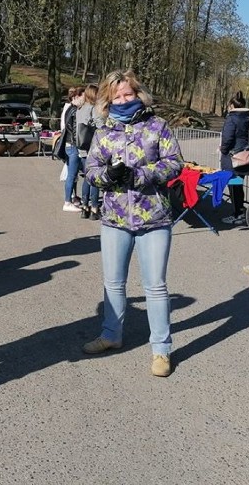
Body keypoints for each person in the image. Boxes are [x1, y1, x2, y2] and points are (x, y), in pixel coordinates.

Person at [83, 69, 183, 378]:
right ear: (108, 100)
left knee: (155, 286)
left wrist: (139, 175)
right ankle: (111, 334)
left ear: (138, 94)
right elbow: (90, 170)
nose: (124, 100)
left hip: (154, 218)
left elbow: (175, 163)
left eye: (128, 94)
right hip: (114, 219)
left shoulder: (158, 126)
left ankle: (161, 349)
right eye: (117, 96)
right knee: (113, 282)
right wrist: (108, 176)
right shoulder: (103, 132)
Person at [219, 90, 249, 225]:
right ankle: (240, 211)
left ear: (232, 106)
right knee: (238, 186)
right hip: (244, 157)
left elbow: (227, 138)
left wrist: (223, 149)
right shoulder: (246, 118)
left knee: (234, 187)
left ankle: (238, 213)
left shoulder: (232, 119)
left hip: (233, 159)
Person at [76, 84, 101, 220]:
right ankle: (94, 208)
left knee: (87, 178)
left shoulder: (80, 110)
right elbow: (100, 127)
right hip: (93, 147)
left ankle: (84, 206)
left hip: (82, 147)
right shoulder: (94, 109)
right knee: (95, 179)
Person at [60, 87, 85, 212]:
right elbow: (75, 130)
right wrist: (79, 144)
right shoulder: (75, 111)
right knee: (72, 175)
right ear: (77, 97)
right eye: (83, 98)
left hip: (69, 144)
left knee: (72, 174)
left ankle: (71, 199)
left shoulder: (69, 109)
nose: (84, 100)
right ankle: (68, 201)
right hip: (73, 145)